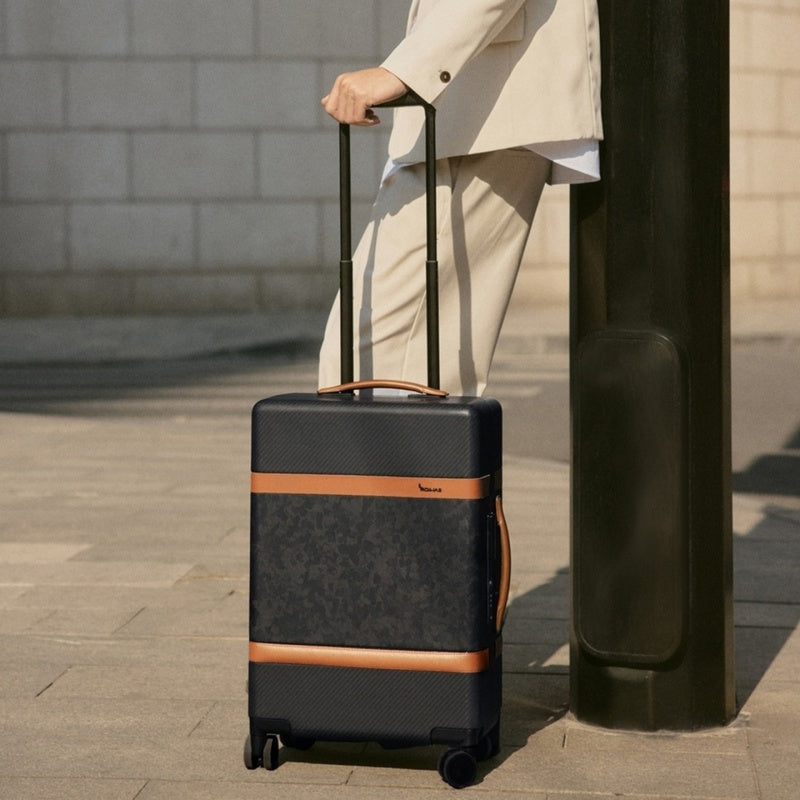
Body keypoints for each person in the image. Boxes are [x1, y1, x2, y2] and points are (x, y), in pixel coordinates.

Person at [318, 0, 602, 396]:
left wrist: (407, 69)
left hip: (482, 112)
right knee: (402, 359)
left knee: (372, 356)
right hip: (474, 111)